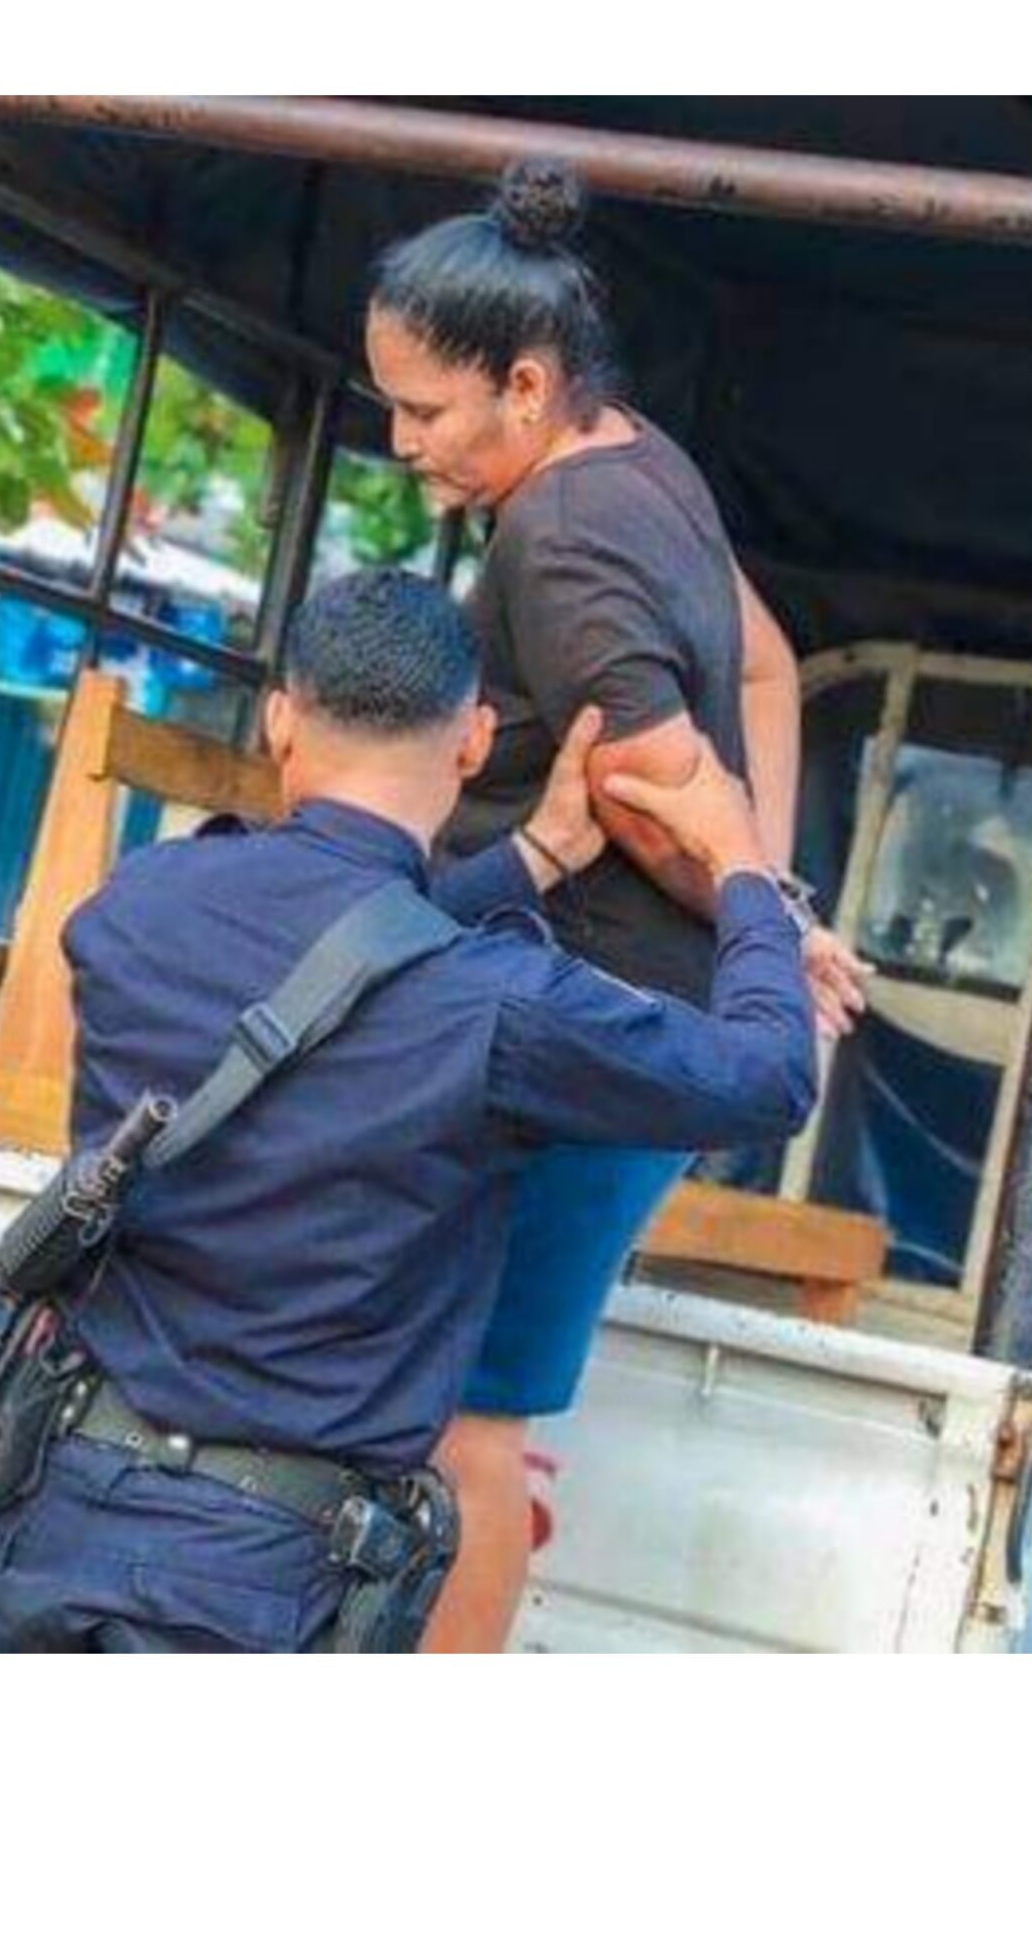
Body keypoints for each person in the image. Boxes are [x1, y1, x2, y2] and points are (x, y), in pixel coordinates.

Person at [0, 568, 816, 1653]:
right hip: (257, 1583)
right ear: (473, 742)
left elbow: (338, 947)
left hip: (39, 1525)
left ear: (279, 720)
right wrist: (741, 865)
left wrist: (532, 858)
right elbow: (768, 1075)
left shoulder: (132, 910)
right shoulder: (499, 1008)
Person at [364, 156, 870, 1651]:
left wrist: (762, 914)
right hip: (637, 1020)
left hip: (583, 1026)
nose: (401, 441)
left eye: (423, 410)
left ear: (524, 385)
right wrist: (773, 900)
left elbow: (651, 789)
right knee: (461, 1407)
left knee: (465, 1422)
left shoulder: (559, 538)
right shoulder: (643, 458)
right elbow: (766, 668)